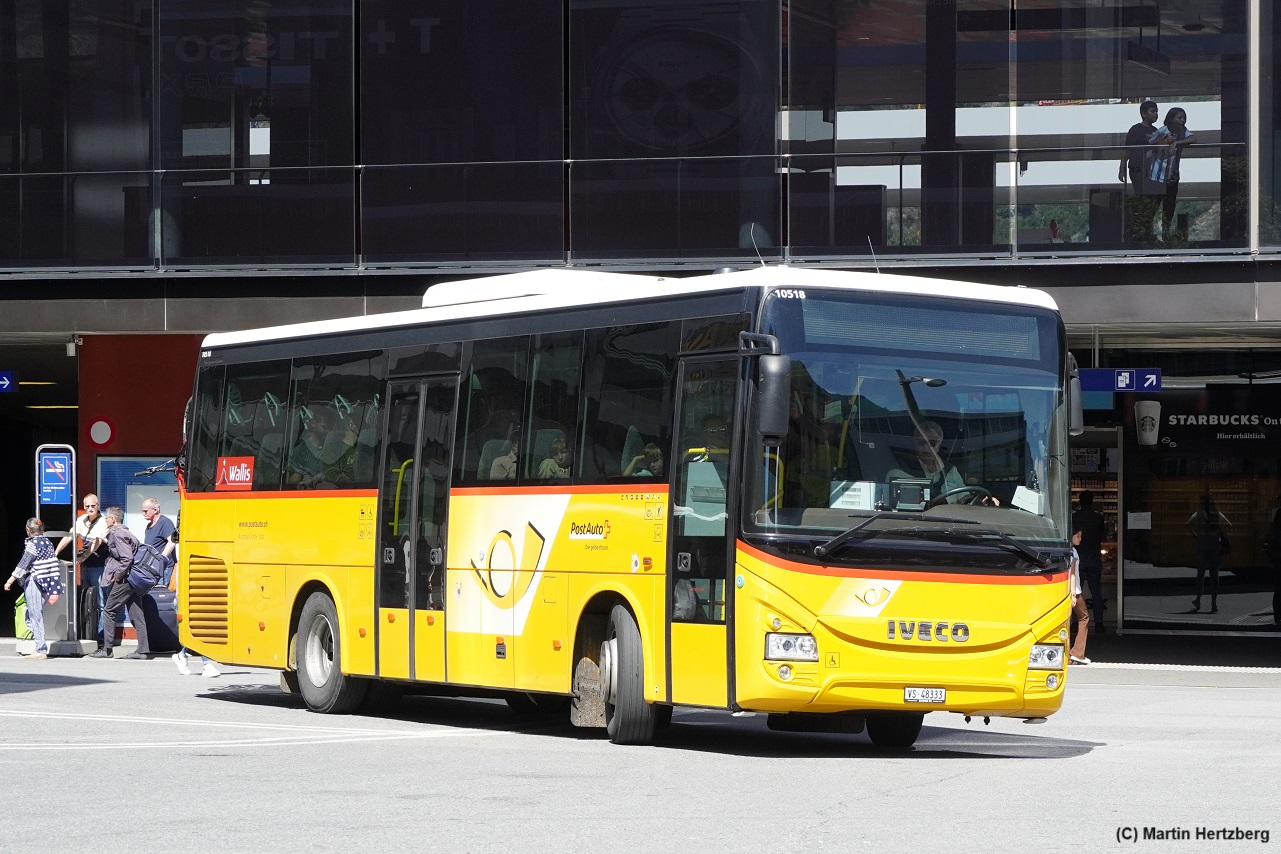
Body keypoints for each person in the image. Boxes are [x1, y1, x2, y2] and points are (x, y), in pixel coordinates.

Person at [88, 507, 151, 660]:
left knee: (109, 610)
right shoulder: (127, 532)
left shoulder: (117, 534)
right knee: (137, 613)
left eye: (107, 518)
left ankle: (107, 649)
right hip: (133, 579)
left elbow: (127, 558)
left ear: (113, 520)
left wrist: (118, 575)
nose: (105, 520)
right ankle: (143, 650)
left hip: (125, 579)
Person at [887, 420, 996, 506]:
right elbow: (891, 509)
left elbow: (964, 499)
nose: (926, 447)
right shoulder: (898, 474)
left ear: (939, 445)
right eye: (921, 443)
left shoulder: (951, 471)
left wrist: (981, 502)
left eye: (932, 443)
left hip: (952, 530)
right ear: (913, 444)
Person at [4, 518, 65, 660]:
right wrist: (54, 587)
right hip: (46, 582)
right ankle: (40, 644)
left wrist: (10, 580)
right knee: (31, 615)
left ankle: (41, 649)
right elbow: (53, 564)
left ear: (28, 531)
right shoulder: (48, 543)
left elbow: (24, 564)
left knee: (34, 615)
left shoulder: (33, 544)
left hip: (34, 581)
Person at [53, 494, 108, 645]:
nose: (90, 509)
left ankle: (102, 637)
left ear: (98, 506)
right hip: (86, 566)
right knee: (86, 600)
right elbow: (69, 536)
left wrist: (83, 558)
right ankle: (88, 633)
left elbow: (96, 542)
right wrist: (55, 553)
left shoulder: (103, 522)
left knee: (101, 602)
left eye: (93, 506)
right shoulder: (82, 520)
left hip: (99, 565)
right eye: (87, 506)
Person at [1147, 107, 1195, 241]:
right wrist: (1163, 143)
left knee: (1169, 206)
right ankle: (1147, 232)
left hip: (1172, 176)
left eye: (1184, 118)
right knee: (1154, 204)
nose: (1183, 120)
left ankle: (1166, 232)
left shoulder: (1183, 131)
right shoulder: (1162, 130)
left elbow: (1193, 139)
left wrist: (1177, 143)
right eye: (1179, 118)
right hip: (1157, 175)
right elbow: (1149, 144)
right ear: (1171, 119)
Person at [1117, 100, 1162, 245]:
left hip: (1151, 170)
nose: (1155, 114)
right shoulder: (1135, 130)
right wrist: (1122, 168)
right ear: (1144, 113)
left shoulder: (1156, 131)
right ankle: (1139, 230)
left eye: (1156, 111)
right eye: (1152, 111)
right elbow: (1127, 149)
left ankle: (1145, 229)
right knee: (1143, 197)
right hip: (1137, 169)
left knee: (1152, 199)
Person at [1187, 494, 1230, 614]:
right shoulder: (1217, 514)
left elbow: (1188, 524)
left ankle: (1198, 599)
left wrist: (1195, 535)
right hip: (1214, 544)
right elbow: (1229, 526)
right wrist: (1221, 534)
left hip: (1202, 543)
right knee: (1214, 574)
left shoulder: (1198, 514)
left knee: (1200, 573)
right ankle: (1214, 603)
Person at [1072, 491, 1107, 632]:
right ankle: (1099, 623)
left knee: (1076, 590)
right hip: (1093, 556)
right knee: (1096, 591)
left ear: (1080, 501)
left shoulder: (1075, 516)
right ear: (1092, 501)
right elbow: (1102, 535)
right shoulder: (1098, 517)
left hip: (1078, 556)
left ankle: (1075, 621)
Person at [288, 407, 335, 486]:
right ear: (313, 423)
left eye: (330, 428)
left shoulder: (335, 449)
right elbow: (294, 481)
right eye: (324, 427)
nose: (328, 432)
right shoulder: (301, 450)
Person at [139, 497, 177, 586]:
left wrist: (161, 558)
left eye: (145, 511)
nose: (143, 514)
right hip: (152, 568)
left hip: (164, 569)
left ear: (155, 510)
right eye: (142, 511)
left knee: (161, 594)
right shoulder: (149, 525)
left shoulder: (165, 523)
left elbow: (172, 542)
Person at [1068, 528, 1091, 665]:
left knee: (1066, 622)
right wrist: (1073, 594)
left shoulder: (1064, 550)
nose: (1080, 539)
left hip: (1062, 590)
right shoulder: (1073, 552)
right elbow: (1072, 574)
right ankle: (1077, 653)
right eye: (1078, 536)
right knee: (1084, 618)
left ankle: (1067, 655)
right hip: (1074, 590)